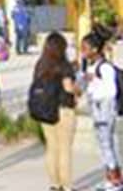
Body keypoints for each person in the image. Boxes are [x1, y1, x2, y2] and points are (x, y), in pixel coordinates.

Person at [31, 31, 77, 191]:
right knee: (64, 149)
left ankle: (54, 184)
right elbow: (69, 88)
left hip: (45, 110)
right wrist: (79, 91)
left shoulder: (40, 65)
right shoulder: (64, 65)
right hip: (63, 110)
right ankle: (66, 186)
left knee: (51, 147)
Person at [81, 29, 122, 191]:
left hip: (105, 111)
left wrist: (95, 88)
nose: (82, 52)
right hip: (97, 111)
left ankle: (115, 180)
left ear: (95, 49)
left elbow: (111, 92)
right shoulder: (92, 67)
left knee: (108, 145)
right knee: (103, 145)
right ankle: (110, 178)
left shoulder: (105, 68)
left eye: (85, 48)